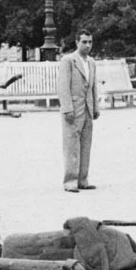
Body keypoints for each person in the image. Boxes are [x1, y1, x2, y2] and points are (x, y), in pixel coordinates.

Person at [57, 30, 100, 193]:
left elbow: (93, 87)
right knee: (71, 146)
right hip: (73, 110)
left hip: (88, 109)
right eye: (84, 42)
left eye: (90, 42)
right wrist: (67, 108)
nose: (88, 45)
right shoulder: (68, 60)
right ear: (77, 42)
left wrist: (95, 107)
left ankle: (83, 180)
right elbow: (63, 86)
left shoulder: (92, 62)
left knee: (85, 145)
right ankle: (70, 181)